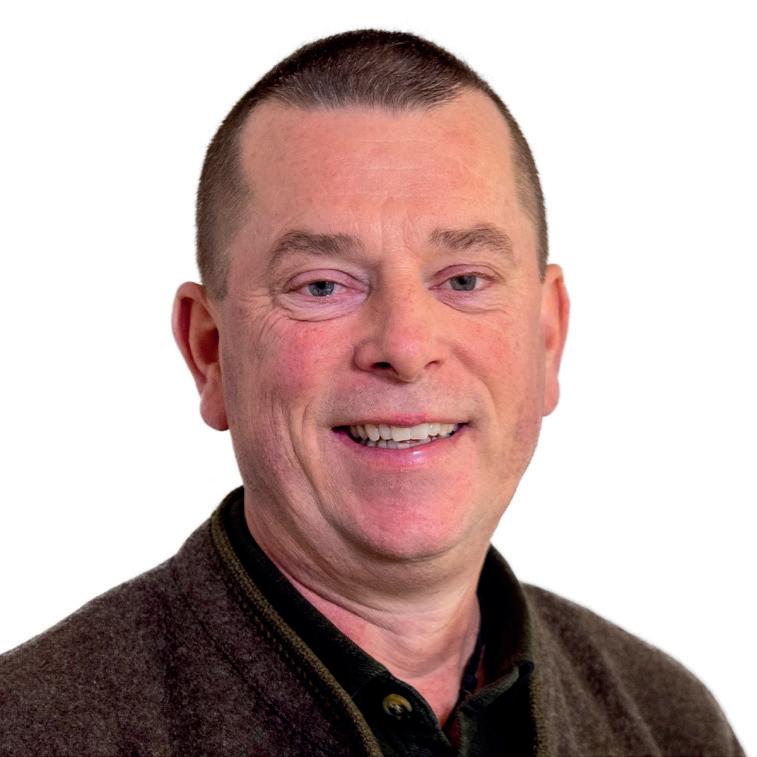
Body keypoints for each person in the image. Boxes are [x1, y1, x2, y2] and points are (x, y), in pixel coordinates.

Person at [0, 29, 743, 756]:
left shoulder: (668, 723)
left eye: (464, 280)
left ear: (546, 339)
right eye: (323, 286)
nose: (405, 348)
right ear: (210, 352)